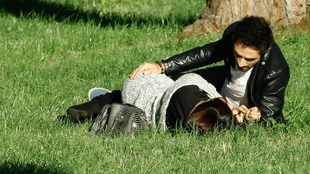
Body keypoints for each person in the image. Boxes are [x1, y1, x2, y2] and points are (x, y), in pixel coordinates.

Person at [130, 16, 289, 124]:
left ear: (264, 51)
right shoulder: (233, 38)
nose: (240, 63)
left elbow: (271, 118)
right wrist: (162, 66)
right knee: (176, 84)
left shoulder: (275, 71)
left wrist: (254, 118)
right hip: (218, 90)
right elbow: (206, 54)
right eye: (237, 55)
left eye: (249, 59)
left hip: (232, 112)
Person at [64, 72, 237, 134]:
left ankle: (87, 107)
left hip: (147, 82)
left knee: (117, 96)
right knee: (120, 102)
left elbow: (194, 79)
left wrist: (222, 102)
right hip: (141, 94)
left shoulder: (188, 92)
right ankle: (101, 102)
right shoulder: (184, 124)